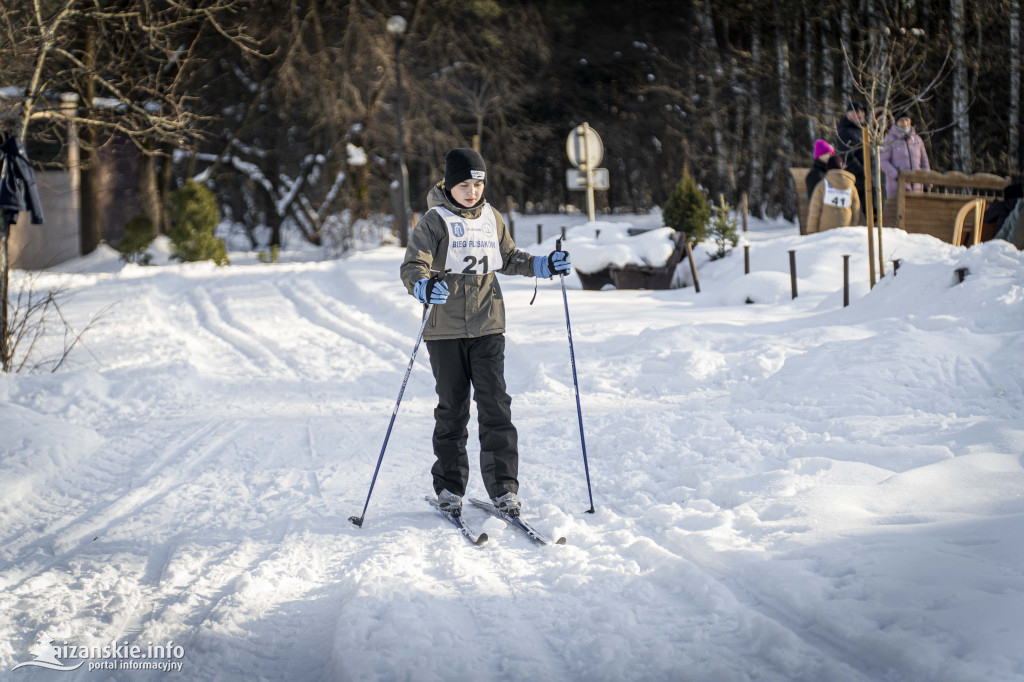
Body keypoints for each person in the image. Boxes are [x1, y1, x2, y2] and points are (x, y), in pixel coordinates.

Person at [400, 147, 571, 517]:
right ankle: (449, 488)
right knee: (452, 409)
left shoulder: (491, 218)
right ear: (449, 184)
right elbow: (414, 265)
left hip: (488, 323)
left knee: (495, 405)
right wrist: (423, 286)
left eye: (478, 183)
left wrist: (542, 265)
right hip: (444, 330)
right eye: (464, 184)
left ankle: (504, 489)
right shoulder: (435, 220)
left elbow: (508, 258)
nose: (472, 191)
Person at [879, 111, 931, 197]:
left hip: (917, 188)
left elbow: (924, 162)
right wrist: (897, 175)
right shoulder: (889, 140)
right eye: (901, 120)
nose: (905, 123)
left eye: (907, 120)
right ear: (896, 122)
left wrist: (927, 182)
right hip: (897, 188)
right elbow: (883, 161)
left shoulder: (917, 140)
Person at [807, 154, 861, 233]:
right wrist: (854, 227)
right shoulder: (851, 187)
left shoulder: (822, 186)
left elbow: (814, 211)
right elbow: (856, 209)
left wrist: (811, 232)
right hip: (846, 229)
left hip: (825, 231)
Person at [835, 101, 867, 214]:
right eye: (856, 112)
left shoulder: (863, 130)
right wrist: (865, 172)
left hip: (869, 180)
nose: (860, 114)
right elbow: (847, 157)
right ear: (848, 114)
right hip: (857, 181)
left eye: (862, 111)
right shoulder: (844, 131)